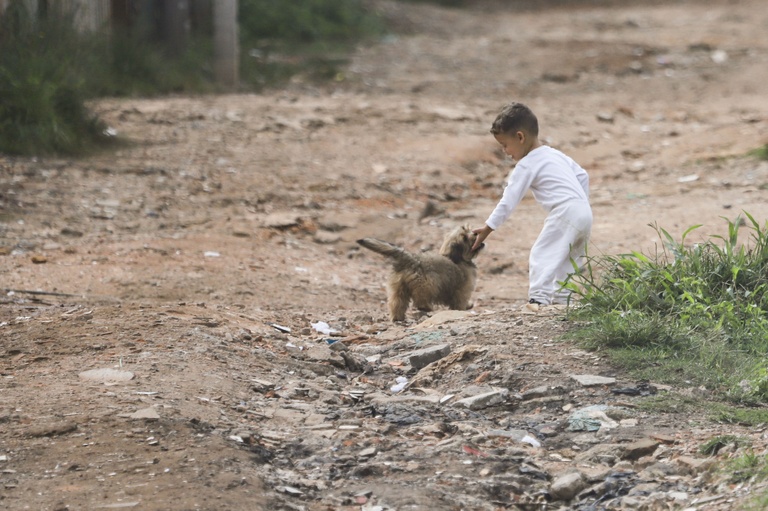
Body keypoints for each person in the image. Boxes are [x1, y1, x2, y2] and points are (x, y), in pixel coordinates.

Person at [471, 102, 592, 308]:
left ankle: (538, 299)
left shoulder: (526, 164)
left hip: (565, 211)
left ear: (520, 137)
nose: (505, 151)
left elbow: (508, 201)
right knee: (568, 256)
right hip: (583, 211)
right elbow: (583, 175)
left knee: (541, 253)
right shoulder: (554, 154)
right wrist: (581, 203)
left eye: (505, 145)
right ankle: (564, 299)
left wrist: (488, 228)